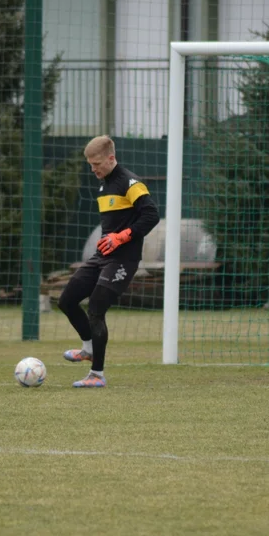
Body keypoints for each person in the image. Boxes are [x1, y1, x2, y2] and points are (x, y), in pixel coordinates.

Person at [58, 135, 160, 388]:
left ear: (111, 158)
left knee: (95, 308)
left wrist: (122, 236)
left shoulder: (130, 182)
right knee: (67, 300)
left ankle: (97, 375)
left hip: (123, 259)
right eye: (90, 165)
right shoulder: (103, 185)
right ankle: (89, 348)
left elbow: (152, 215)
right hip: (102, 257)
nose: (93, 169)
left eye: (97, 164)